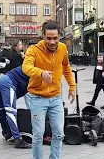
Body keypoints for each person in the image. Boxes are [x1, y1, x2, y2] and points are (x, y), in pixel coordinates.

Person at [22, 21, 76, 159]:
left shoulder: (63, 48)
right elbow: (26, 67)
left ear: (59, 37)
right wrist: (40, 72)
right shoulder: (33, 50)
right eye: (49, 38)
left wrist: (72, 86)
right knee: (38, 135)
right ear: (43, 36)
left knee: (59, 133)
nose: (52, 42)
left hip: (55, 97)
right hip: (37, 97)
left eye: (55, 38)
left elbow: (66, 67)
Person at [0, 66, 32, 149]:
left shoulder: (28, 65)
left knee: (2, 110)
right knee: (11, 112)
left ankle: (6, 133)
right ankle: (18, 139)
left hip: (1, 80)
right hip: (8, 83)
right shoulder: (35, 69)